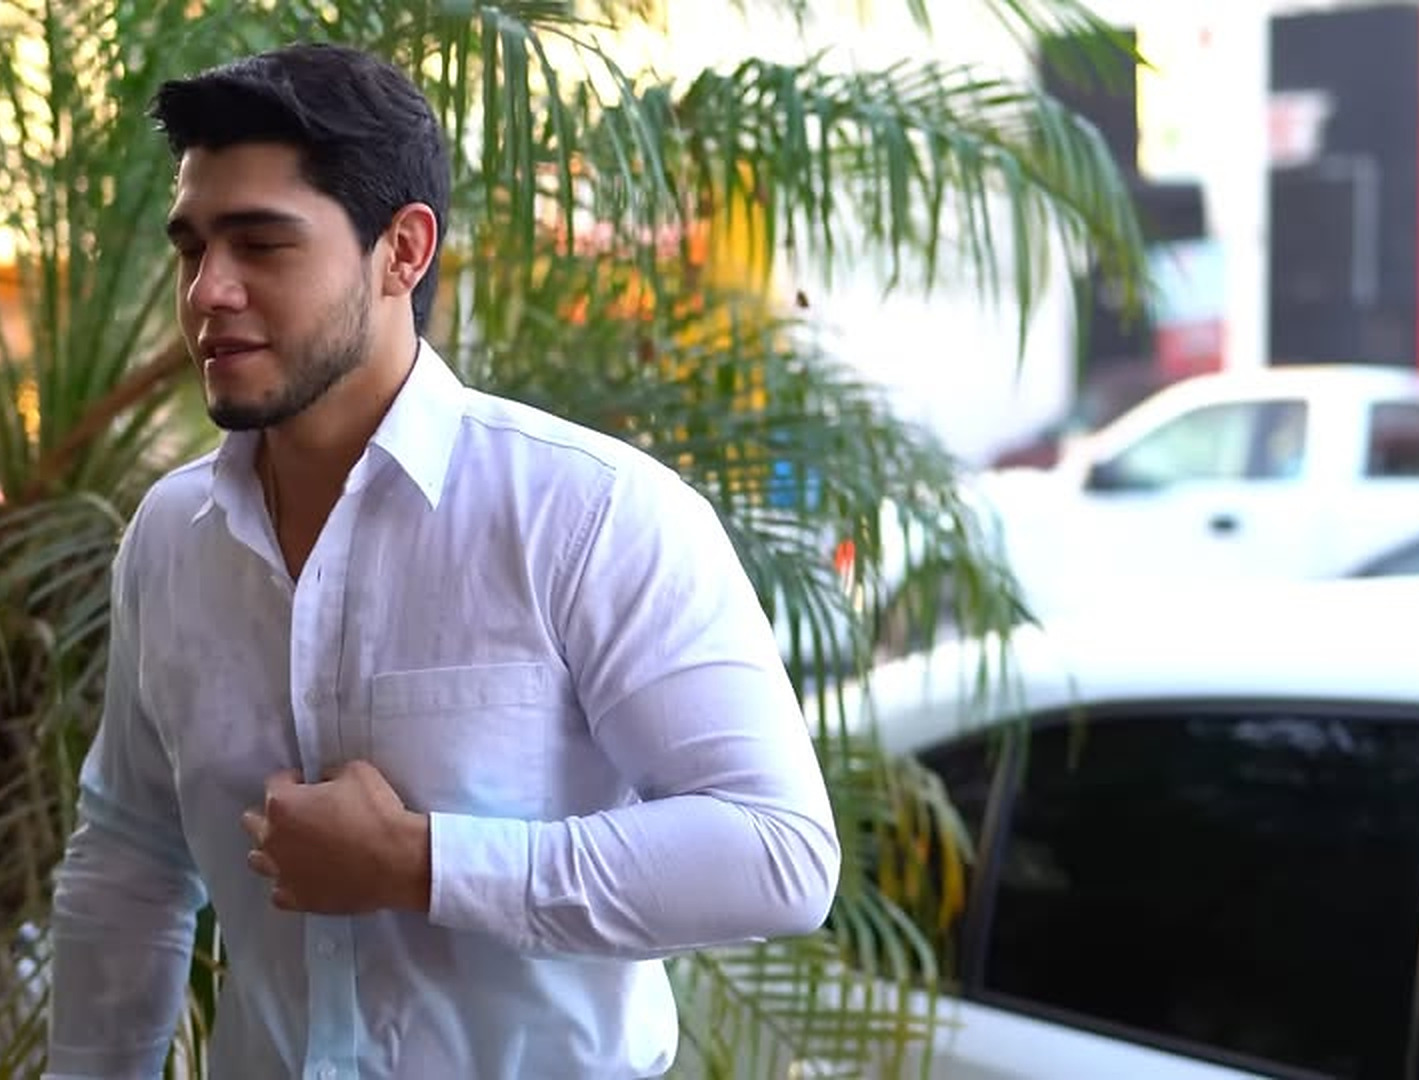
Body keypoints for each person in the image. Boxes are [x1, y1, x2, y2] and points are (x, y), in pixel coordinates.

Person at [45, 41, 841, 1080]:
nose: (208, 292)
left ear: (403, 251)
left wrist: (419, 862)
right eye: (192, 248)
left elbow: (777, 853)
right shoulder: (171, 535)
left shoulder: (588, 514)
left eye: (262, 245)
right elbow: (131, 860)